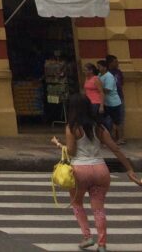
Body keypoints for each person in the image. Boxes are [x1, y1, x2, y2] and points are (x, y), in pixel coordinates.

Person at [50, 92, 142, 251]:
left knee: (77, 203)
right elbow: (116, 148)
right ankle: (102, 243)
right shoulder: (99, 127)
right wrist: (129, 169)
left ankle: (87, 237)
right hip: (100, 169)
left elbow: (71, 151)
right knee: (98, 208)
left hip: (79, 170)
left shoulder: (72, 127)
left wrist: (58, 144)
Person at [99, 59, 124, 141]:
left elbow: (107, 90)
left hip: (114, 103)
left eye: (100, 67)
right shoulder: (100, 75)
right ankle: (110, 138)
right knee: (107, 122)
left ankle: (119, 138)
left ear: (105, 67)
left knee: (116, 122)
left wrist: (98, 88)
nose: (98, 68)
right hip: (106, 103)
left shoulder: (109, 76)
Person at [107, 54, 126, 142]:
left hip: (119, 97)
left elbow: (121, 83)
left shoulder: (118, 72)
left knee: (120, 117)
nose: (117, 63)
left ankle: (121, 137)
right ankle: (112, 137)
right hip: (109, 99)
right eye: (115, 62)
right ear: (110, 63)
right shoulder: (106, 73)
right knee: (110, 118)